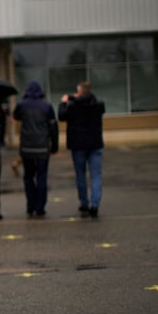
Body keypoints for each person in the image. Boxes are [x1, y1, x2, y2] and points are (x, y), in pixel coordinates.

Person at [59, 81, 106, 218]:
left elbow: (61, 115)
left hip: (78, 145)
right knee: (96, 175)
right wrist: (76, 98)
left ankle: (84, 202)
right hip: (95, 144)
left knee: (80, 174)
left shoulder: (73, 106)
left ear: (80, 92)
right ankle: (95, 204)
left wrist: (64, 102)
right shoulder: (98, 105)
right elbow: (89, 102)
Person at [14, 81, 59, 218]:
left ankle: (30, 205)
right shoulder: (47, 106)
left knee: (28, 176)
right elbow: (53, 128)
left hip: (27, 147)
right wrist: (54, 144)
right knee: (42, 176)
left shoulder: (22, 105)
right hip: (42, 147)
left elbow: (15, 116)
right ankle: (40, 207)